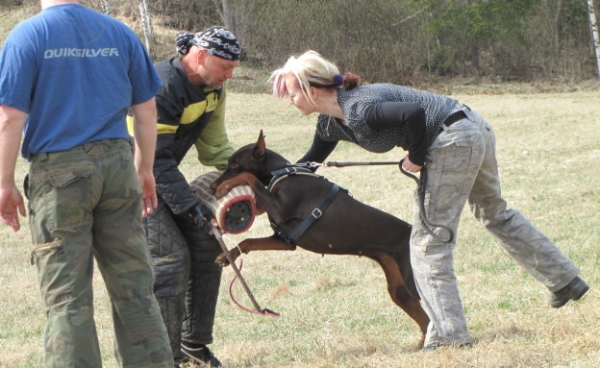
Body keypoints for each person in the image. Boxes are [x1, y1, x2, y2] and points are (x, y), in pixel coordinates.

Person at [268, 50, 590, 350]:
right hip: (471, 126)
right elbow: (309, 163)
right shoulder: (330, 122)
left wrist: (417, 156)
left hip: (454, 139)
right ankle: (564, 279)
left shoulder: (359, 108)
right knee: (495, 214)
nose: (290, 101)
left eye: (292, 93)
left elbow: (413, 113)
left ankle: (449, 336)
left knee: (427, 242)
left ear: (313, 88)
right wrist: (265, 179)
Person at [0, 1, 174, 367]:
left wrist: (5, 182)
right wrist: (143, 170)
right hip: (117, 167)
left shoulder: (27, 36)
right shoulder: (120, 34)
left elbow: (10, 118)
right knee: (135, 291)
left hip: (60, 174)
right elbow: (147, 110)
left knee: (67, 299)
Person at [126, 26, 241, 368]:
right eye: (226, 67)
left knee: (209, 248)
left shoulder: (214, 89)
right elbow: (155, 160)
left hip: (158, 177)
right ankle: (166, 357)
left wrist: (254, 170)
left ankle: (193, 345)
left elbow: (214, 149)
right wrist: (192, 209)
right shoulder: (161, 87)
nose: (230, 75)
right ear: (201, 56)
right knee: (172, 262)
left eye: (234, 68)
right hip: (129, 182)